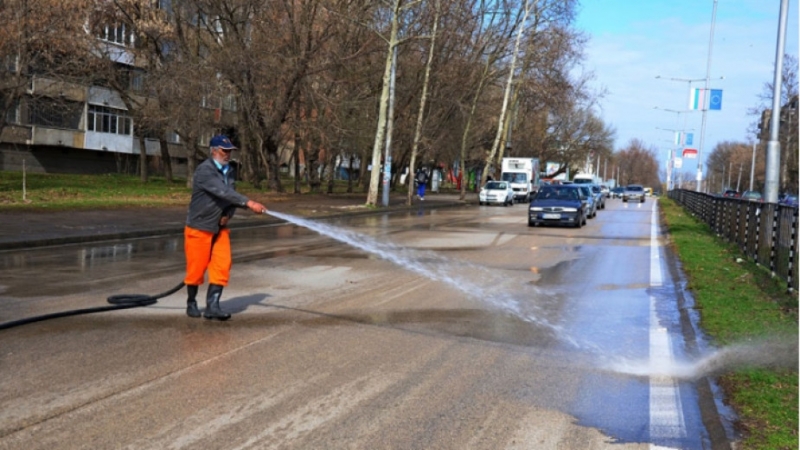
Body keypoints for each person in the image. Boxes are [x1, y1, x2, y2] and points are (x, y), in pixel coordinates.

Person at [183, 135, 267, 320]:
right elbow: (223, 192)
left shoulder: (229, 171)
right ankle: (191, 303)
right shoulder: (205, 170)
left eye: (230, 151)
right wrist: (249, 203)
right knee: (196, 269)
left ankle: (213, 306)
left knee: (222, 264)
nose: (228, 154)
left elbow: (231, 198)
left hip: (219, 229)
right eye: (224, 151)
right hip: (199, 226)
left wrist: (227, 215)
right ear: (213, 151)